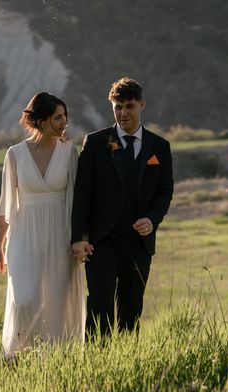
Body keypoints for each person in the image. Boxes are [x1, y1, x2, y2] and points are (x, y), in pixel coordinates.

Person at [71, 77, 174, 338]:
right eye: (118, 107)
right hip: (101, 241)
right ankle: (95, 366)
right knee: (99, 307)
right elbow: (83, 193)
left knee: (131, 310)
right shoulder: (95, 143)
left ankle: (126, 365)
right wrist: (79, 237)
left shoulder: (160, 147)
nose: (123, 113)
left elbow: (165, 191)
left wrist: (152, 219)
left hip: (139, 243)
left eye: (129, 106)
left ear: (142, 105)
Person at [0, 92, 86, 359]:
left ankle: (55, 358)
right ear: (41, 120)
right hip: (24, 235)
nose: (64, 122)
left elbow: (78, 200)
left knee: (57, 300)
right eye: (57, 117)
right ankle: (19, 354)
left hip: (60, 233)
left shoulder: (70, 153)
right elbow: (6, 205)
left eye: (65, 117)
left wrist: (79, 237)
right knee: (25, 299)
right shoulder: (15, 154)